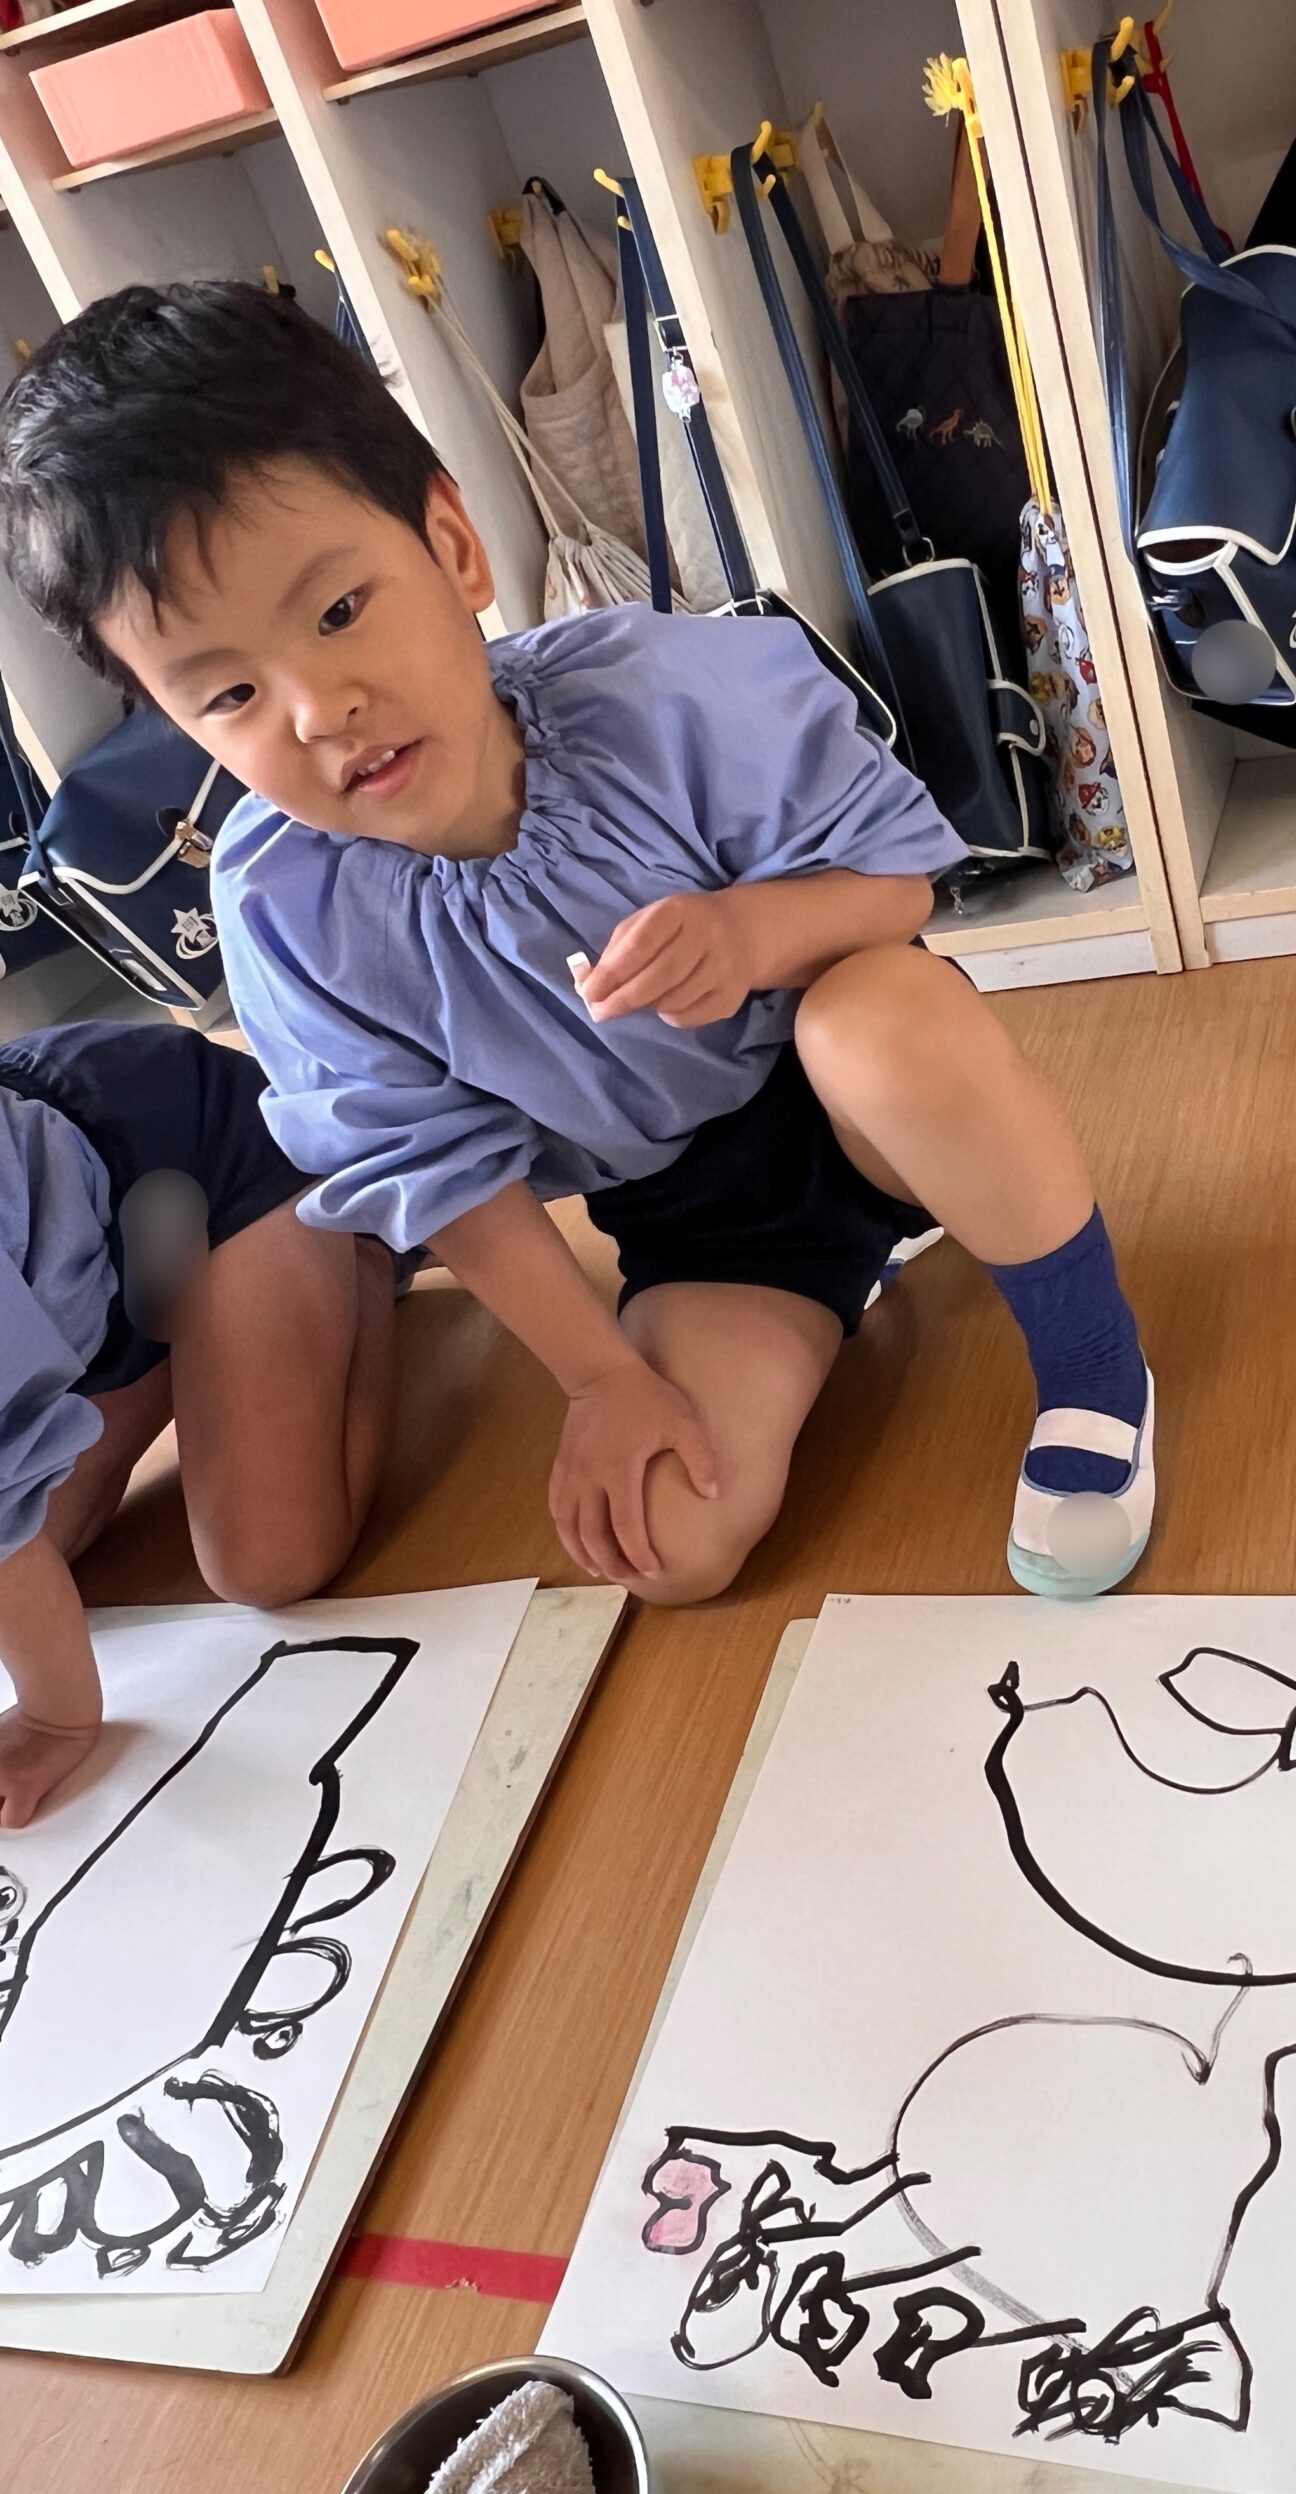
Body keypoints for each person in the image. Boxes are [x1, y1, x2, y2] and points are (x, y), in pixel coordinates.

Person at [0, 283, 1156, 1618]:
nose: (319, 710)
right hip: (701, 1218)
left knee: (876, 1021)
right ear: (174, 724)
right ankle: (838, 1284)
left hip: (858, 1094)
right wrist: (602, 1379)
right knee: (671, 1547)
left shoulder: (664, 695)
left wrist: (751, 931)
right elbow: (443, 1174)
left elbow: (900, 885)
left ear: (453, 545)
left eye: (338, 611)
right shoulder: (285, 910)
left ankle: (1094, 1359)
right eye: (231, 693)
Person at [0, 1018, 394, 1827]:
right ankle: (189, 1351)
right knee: (50, 1561)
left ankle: (363, 1244)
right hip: (83, 1251)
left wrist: (54, 1719)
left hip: (196, 1159)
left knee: (268, 1562)